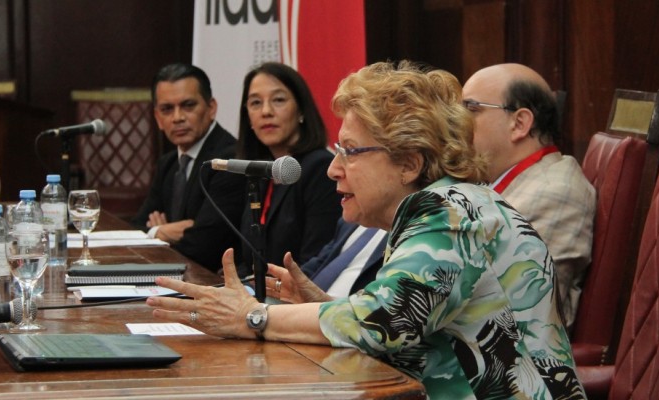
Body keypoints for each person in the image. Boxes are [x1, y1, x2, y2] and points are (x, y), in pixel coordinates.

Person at [147, 61, 585, 399]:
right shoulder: (445, 206)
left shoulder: (448, 217)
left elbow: (383, 322)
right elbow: (416, 329)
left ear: (409, 163)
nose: (334, 169)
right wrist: (324, 305)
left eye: (351, 152)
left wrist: (251, 316)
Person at [461, 63, 596, 330]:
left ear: (519, 123)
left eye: (470, 110)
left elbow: (521, 314)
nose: (456, 125)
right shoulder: (496, 180)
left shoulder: (553, 192)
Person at [132, 63, 246, 270]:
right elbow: (136, 227)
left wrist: (157, 231)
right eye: (167, 109)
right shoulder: (168, 163)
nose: (178, 117)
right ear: (158, 118)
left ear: (211, 108)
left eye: (188, 105)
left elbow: (205, 244)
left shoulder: (230, 160)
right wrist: (158, 232)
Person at [234, 62, 342, 277]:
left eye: (278, 100)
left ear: (301, 110)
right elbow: (247, 259)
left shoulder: (319, 168)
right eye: (256, 103)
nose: (266, 111)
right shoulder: (261, 172)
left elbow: (315, 261)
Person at [299, 217, 387, 297]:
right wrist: (292, 279)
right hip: (303, 302)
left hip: (345, 311)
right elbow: (321, 261)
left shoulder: (398, 238)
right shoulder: (349, 220)